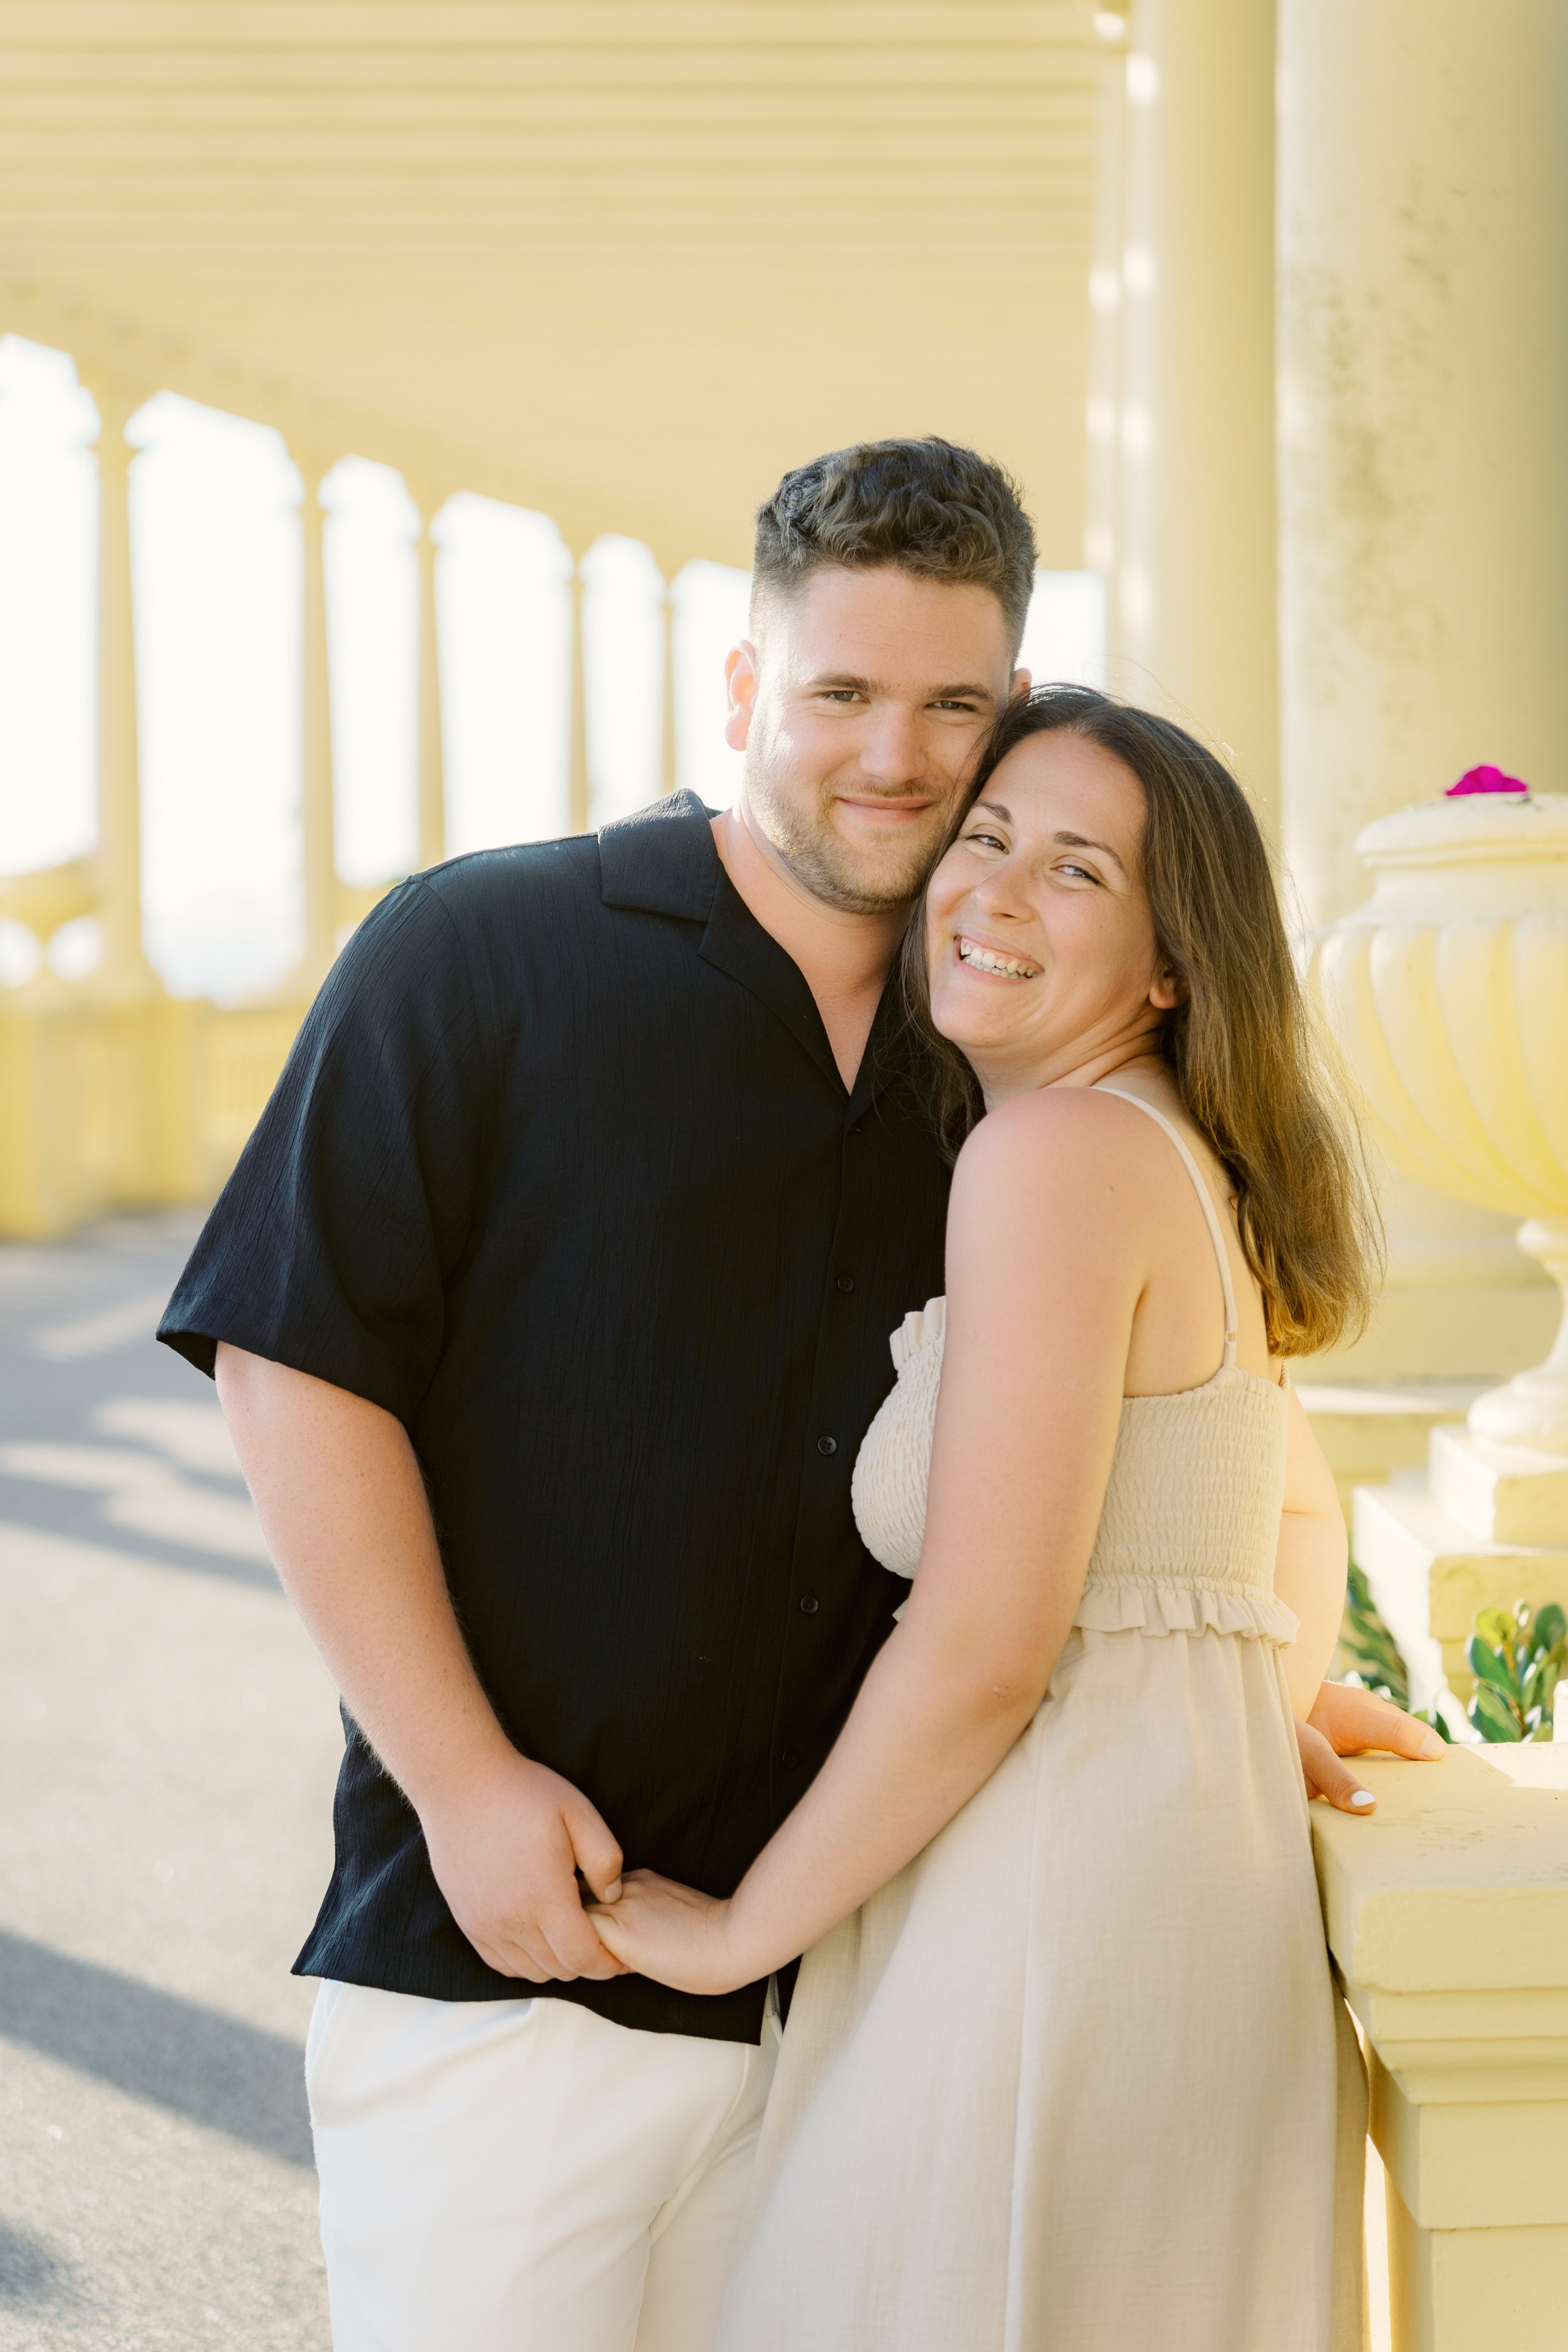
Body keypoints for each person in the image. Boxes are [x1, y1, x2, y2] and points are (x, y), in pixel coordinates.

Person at [159, 439, 1433, 2352]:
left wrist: (1235, 1674)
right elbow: (293, 1361)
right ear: (746, 688)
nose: (899, 761)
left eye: (954, 708)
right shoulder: (484, 951)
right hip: (533, 1959)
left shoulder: (1007, 1068)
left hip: (883, 1982)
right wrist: (462, 1781)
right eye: (840, 692)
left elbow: (1233, 1452)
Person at [587, 686, 1425, 2351]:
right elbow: (1297, 1521)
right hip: (1170, 1883)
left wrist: (740, 1931)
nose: (993, 892)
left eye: (1076, 871)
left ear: (1174, 963)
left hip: (1050, 1908)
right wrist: (1240, 1699)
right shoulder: (1177, 1159)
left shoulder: (1048, 1159)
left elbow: (982, 1643)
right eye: (985, 841)